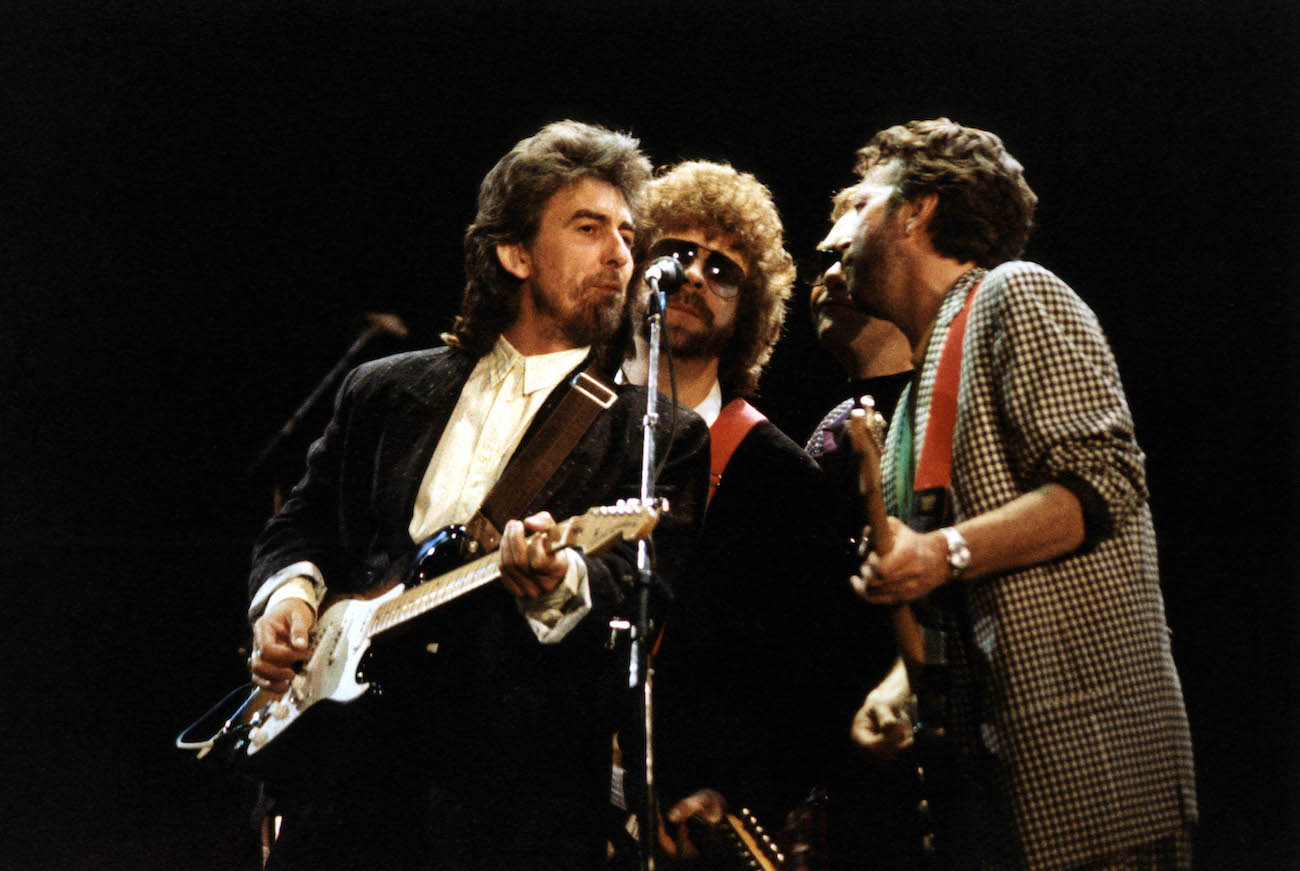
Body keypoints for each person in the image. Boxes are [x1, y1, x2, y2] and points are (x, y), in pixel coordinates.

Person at [245, 120, 710, 871]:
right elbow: (299, 524)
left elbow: (634, 589)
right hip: (344, 792)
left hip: (513, 811)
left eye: (628, 233)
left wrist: (560, 580)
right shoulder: (385, 389)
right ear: (514, 252)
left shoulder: (658, 434)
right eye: (589, 227)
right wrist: (287, 600)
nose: (620, 253)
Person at [825, 119, 1196, 870]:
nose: (832, 240)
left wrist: (940, 549)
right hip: (996, 802)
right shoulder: (908, 406)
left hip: (1093, 788)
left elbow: (1105, 482)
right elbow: (948, 583)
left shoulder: (1016, 294)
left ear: (916, 209)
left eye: (857, 204)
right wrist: (904, 681)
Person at [618, 160, 852, 863]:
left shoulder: (783, 478)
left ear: (749, 312)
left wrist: (735, 788)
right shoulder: (557, 418)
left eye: (723, 270)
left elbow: (809, 683)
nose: (694, 275)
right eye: (675, 252)